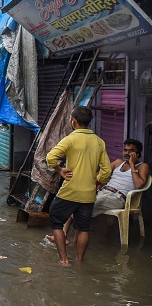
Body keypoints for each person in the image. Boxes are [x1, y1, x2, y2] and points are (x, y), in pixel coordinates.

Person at [45, 139, 150, 243]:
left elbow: (138, 184)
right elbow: (103, 173)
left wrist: (132, 165)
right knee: (75, 201)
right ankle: (64, 237)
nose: (127, 153)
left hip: (117, 197)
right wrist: (95, 184)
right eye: (125, 150)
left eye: (131, 151)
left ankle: (70, 240)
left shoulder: (142, 166)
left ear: (138, 153)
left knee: (82, 209)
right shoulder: (118, 162)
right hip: (103, 192)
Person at [45, 106, 111, 265]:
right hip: (88, 194)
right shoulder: (99, 142)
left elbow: (50, 158)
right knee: (83, 228)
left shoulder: (70, 139)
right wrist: (96, 180)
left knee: (56, 221)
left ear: (73, 121)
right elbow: (107, 171)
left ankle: (64, 260)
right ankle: (80, 261)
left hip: (69, 191)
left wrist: (60, 170)